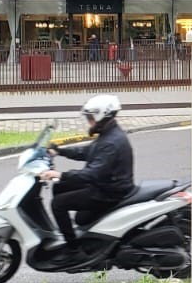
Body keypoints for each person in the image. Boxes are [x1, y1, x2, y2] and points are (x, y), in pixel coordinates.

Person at [42, 95, 135, 246]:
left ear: (101, 116)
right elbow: (86, 152)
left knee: (58, 204)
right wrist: (59, 151)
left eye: (90, 117)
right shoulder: (108, 134)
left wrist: (60, 174)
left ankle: (72, 248)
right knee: (60, 186)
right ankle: (73, 229)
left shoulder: (110, 142)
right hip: (105, 184)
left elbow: (91, 174)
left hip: (110, 192)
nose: (88, 121)